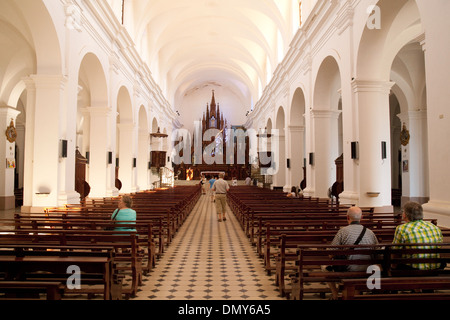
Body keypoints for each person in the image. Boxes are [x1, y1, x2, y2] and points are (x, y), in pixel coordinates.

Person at [326, 206, 379, 299]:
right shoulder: (370, 233)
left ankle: (335, 296)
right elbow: (377, 253)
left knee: (325, 269)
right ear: (362, 218)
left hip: (348, 270)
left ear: (347, 217)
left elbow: (331, 253)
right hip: (367, 270)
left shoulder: (343, 231)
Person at [392, 201, 444, 270]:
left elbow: (395, 250)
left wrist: (393, 267)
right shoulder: (434, 227)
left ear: (405, 214)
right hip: (435, 267)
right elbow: (439, 246)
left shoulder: (402, 228)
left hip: (413, 269)